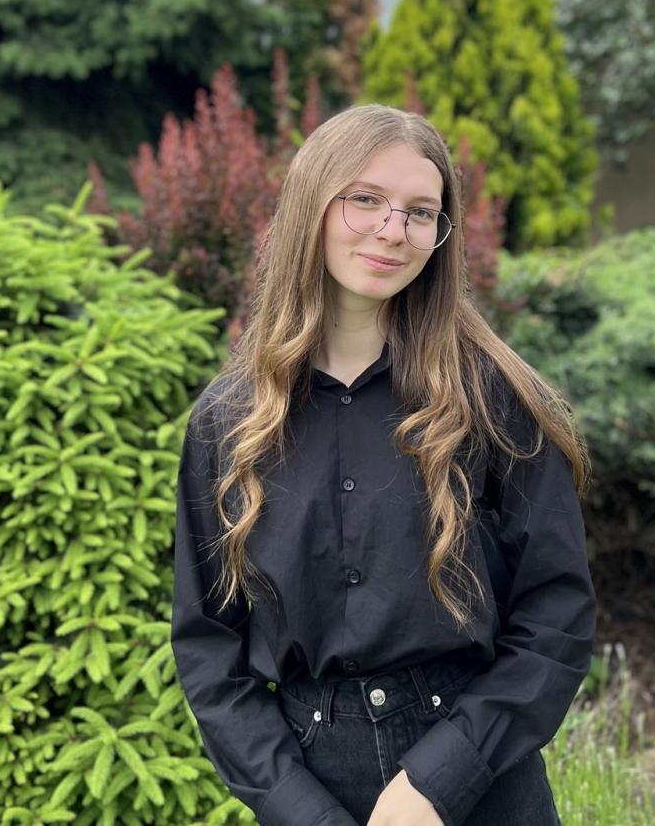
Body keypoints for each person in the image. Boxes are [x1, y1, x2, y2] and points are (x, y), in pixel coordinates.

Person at [171, 103, 596, 826]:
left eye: (420, 212)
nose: (394, 230)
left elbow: (557, 614)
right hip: (311, 780)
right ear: (311, 206)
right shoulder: (229, 420)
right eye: (365, 199)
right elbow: (211, 650)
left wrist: (440, 780)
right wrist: (300, 809)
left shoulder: (495, 399)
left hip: (481, 776)